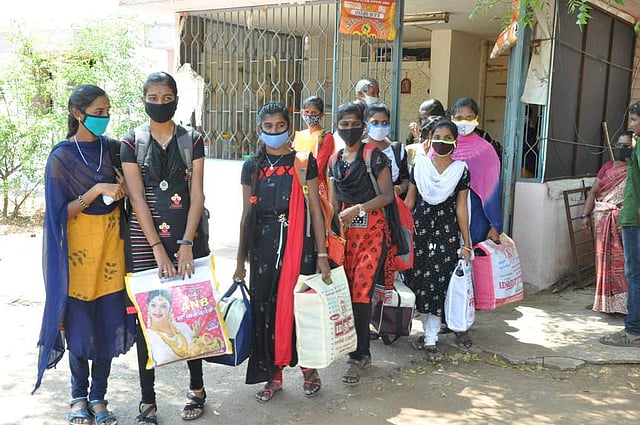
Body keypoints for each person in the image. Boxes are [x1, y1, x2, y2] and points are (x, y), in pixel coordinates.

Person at [35, 84, 135, 425]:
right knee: (79, 329)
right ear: (78, 114)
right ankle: (78, 396)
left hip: (111, 253)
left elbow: (132, 192)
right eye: (98, 112)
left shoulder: (114, 149)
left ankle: (99, 398)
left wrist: (123, 189)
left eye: (107, 112)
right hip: (77, 257)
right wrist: (95, 191)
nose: (105, 118)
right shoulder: (61, 157)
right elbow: (57, 214)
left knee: (106, 326)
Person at [121, 71, 209, 423]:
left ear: (176, 99)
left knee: (191, 313)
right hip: (145, 243)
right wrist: (157, 247)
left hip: (187, 238)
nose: (160, 103)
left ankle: (197, 389)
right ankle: (148, 401)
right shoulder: (131, 142)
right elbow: (137, 198)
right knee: (148, 318)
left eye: (166, 97)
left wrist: (186, 243)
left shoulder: (193, 140)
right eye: (153, 98)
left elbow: (197, 195)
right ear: (143, 99)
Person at [233, 102, 331, 402]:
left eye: (280, 126)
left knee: (300, 308)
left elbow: (315, 210)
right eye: (268, 127)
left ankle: (309, 369)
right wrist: (240, 261)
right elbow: (246, 215)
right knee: (266, 310)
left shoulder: (303, 162)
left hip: (298, 246)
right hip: (262, 248)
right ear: (260, 129)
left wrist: (322, 255)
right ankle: (273, 375)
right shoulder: (252, 166)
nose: (274, 131)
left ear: (289, 127)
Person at [328, 102, 395, 384]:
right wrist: (329, 230)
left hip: (371, 234)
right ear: (337, 127)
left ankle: (359, 356)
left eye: (354, 124)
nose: (349, 129)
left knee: (361, 293)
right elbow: (333, 200)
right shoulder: (334, 160)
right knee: (345, 293)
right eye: (343, 124)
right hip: (345, 236)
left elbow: (387, 196)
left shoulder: (374, 157)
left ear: (363, 126)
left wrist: (358, 208)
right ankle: (357, 350)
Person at [404, 120, 472, 361]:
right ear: (430, 139)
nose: (442, 141)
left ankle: (431, 339)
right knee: (421, 281)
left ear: (455, 142)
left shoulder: (461, 170)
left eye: (447, 137)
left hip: (445, 234)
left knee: (436, 281)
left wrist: (466, 243)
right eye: (438, 136)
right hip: (420, 232)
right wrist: (397, 231)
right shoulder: (420, 167)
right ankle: (427, 333)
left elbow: (461, 208)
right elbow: (410, 202)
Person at [448, 97, 503, 350]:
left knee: (466, 271)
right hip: (445, 218)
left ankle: (463, 325)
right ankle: (445, 319)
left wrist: (495, 224)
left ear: (477, 119)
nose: (464, 122)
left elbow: (493, 189)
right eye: (459, 117)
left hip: (475, 218)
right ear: (451, 118)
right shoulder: (442, 145)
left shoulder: (485, 150)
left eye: (469, 117)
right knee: (445, 269)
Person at [601, 101, 640, 347]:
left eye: (635, 120)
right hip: (632, 217)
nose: (632, 125)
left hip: (634, 219)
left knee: (634, 275)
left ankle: (633, 331)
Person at [582, 131, 632, 314]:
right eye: (619, 145)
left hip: (624, 222)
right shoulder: (607, 167)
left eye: (626, 146)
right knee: (603, 262)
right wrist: (585, 215)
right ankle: (605, 303)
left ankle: (623, 306)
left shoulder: (634, 169)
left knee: (623, 263)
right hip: (602, 220)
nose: (621, 149)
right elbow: (594, 192)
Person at [292, 95, 335, 197]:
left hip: (316, 186)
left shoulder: (326, 137)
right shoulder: (299, 135)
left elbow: (318, 166)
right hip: (296, 184)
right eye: (307, 112)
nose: (309, 115)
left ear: (321, 114)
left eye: (313, 113)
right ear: (302, 112)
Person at [364, 103, 409, 198]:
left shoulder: (397, 150)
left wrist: (399, 189)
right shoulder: (359, 149)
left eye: (384, 123)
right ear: (366, 125)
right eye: (375, 123)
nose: (380, 127)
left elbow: (406, 179)